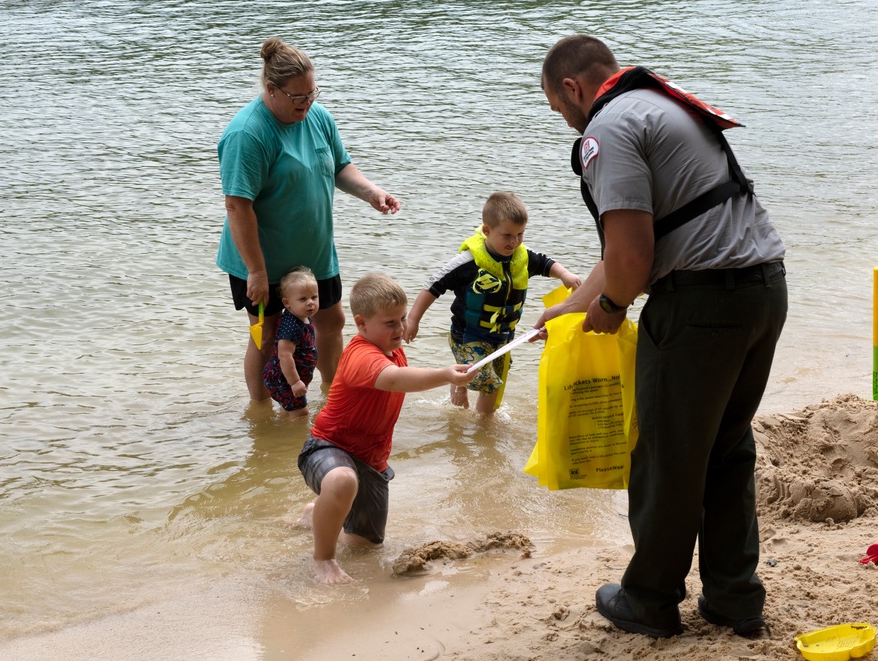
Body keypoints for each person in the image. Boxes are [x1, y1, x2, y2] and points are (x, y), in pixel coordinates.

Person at [537, 35, 788, 639]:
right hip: (763, 290)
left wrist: (612, 307)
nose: (563, 119)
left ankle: (648, 599)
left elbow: (633, 253)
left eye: (556, 107)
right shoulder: (658, 104)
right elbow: (645, 235)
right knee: (727, 446)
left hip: (700, 306)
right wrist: (572, 306)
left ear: (572, 88)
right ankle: (734, 597)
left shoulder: (606, 128)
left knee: (665, 457)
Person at [216, 37, 400, 402]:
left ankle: (336, 396)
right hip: (262, 261)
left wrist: (371, 192)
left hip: (315, 255)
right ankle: (262, 410)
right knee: (268, 336)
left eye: (312, 93)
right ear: (271, 89)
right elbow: (237, 206)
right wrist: (255, 271)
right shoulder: (247, 134)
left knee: (332, 323)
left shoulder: (318, 116)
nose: (307, 103)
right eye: (298, 97)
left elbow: (340, 166)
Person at [296, 273, 477, 583]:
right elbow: (393, 379)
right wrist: (446, 375)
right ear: (361, 323)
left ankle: (316, 514)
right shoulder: (360, 354)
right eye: (390, 323)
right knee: (341, 480)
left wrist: (456, 383)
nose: (400, 328)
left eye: (403, 319)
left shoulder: (391, 348)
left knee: (366, 546)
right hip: (326, 448)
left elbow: (403, 375)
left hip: (371, 463)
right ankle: (323, 560)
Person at [404, 191, 581, 414]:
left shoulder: (521, 256)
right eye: (507, 235)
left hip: (502, 337)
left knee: (495, 386)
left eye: (520, 234)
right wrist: (413, 319)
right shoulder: (469, 262)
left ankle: (484, 423)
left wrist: (564, 274)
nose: (515, 242)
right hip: (467, 336)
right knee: (487, 382)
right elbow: (433, 286)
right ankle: (459, 382)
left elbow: (546, 263)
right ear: (487, 230)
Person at [262, 266, 319, 417]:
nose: (310, 303)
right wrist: (294, 382)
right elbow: (284, 355)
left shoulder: (303, 317)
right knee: (301, 414)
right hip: (283, 379)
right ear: (287, 303)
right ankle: (292, 439)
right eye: (303, 299)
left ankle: (281, 429)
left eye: (314, 297)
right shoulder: (291, 325)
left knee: (290, 410)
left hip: (292, 378)